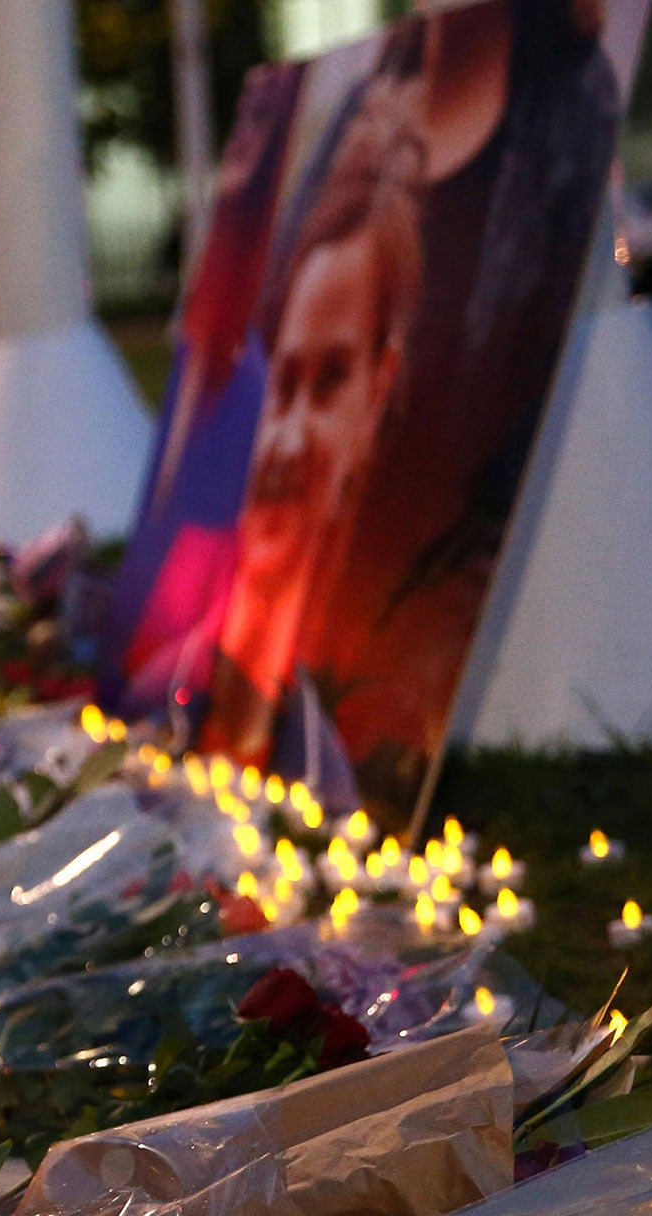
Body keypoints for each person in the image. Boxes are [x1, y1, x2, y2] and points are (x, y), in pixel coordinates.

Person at [197, 108, 425, 764]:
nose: (289, 440)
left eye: (328, 383)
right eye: (284, 384)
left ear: (379, 389)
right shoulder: (196, 661)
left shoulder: (389, 684)